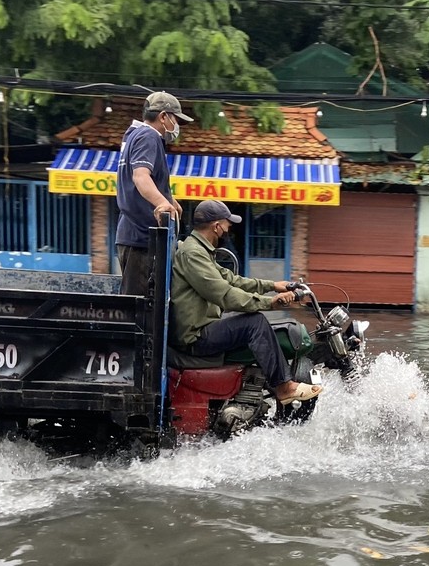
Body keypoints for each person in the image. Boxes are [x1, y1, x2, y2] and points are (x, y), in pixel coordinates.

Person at [170, 199, 323, 406]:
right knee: (254, 323)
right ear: (216, 226)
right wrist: (270, 303)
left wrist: (273, 285)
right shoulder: (193, 254)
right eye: (227, 224)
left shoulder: (199, 250)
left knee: (250, 321)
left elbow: (232, 279)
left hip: (202, 327)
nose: (228, 229)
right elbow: (224, 294)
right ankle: (283, 387)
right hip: (196, 336)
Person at [115, 91, 191, 295]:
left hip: (132, 234)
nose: (177, 126)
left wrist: (169, 199)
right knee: (141, 311)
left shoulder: (133, 134)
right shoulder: (149, 136)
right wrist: (162, 203)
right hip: (140, 237)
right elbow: (140, 176)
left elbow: (144, 179)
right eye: (175, 119)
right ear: (163, 116)